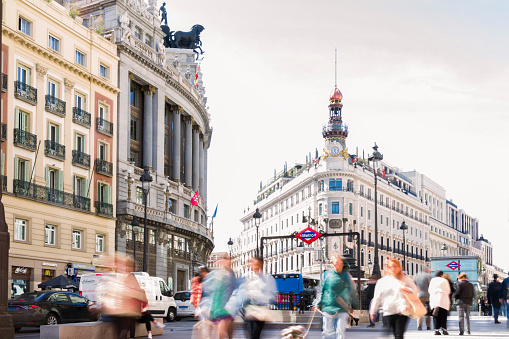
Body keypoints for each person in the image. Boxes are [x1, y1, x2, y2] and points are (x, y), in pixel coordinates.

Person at [226, 256, 277, 339]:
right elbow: (238, 289)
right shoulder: (247, 276)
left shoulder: (267, 278)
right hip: (249, 310)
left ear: (261, 264)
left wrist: (259, 297)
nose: (252, 265)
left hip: (260, 311)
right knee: (250, 334)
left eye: (255, 263)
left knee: (255, 334)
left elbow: (272, 292)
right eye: (252, 263)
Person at [369, 258, 419, 339]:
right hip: (388, 310)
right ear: (387, 268)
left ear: (399, 267)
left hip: (402, 310)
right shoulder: (382, 281)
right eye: (390, 266)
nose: (393, 268)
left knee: (399, 335)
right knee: (390, 333)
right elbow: (377, 297)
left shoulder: (405, 279)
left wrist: (407, 289)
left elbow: (416, 291)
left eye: (395, 266)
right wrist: (372, 311)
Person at [313, 253, 353, 339]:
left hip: (342, 308)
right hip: (328, 307)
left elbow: (351, 291)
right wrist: (317, 304)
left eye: (337, 262)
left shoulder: (346, 276)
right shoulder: (326, 275)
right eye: (333, 262)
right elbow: (321, 290)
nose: (335, 264)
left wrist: (352, 305)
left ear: (342, 263)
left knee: (340, 332)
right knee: (327, 332)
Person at [199, 255, 237, 339]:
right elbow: (206, 288)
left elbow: (235, 290)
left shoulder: (232, 275)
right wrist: (205, 306)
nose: (227, 262)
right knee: (221, 332)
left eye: (228, 260)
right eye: (225, 260)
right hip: (217, 308)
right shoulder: (216, 274)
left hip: (228, 308)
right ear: (221, 262)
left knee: (227, 332)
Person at [428, 270, 451, 335]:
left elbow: (429, 290)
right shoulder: (444, 280)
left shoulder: (432, 281)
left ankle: (436, 330)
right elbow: (448, 290)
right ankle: (444, 329)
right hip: (443, 300)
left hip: (434, 300)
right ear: (441, 275)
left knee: (435, 315)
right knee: (443, 315)